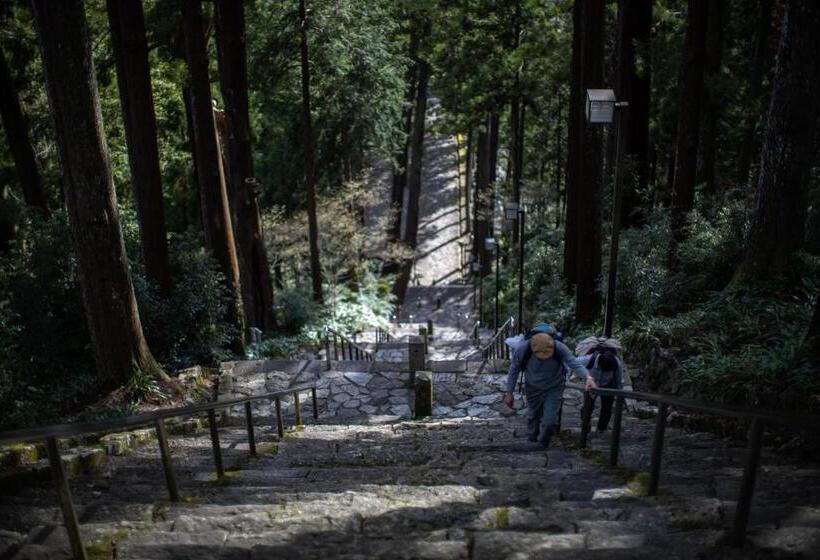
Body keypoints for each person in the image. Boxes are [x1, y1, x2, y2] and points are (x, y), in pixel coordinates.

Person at [503, 333, 597, 447]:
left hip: (554, 386)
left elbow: (574, 363)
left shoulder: (559, 348)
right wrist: (509, 393)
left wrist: (588, 377)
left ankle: (543, 442)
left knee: (550, 421)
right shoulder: (523, 349)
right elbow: (514, 370)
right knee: (533, 414)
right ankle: (532, 437)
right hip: (532, 386)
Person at [581, 349, 624, 432]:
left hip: (609, 384)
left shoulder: (616, 363)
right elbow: (573, 363)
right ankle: (586, 425)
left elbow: (619, 378)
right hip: (592, 384)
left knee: (607, 408)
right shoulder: (588, 359)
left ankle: (601, 429)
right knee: (588, 406)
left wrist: (619, 392)